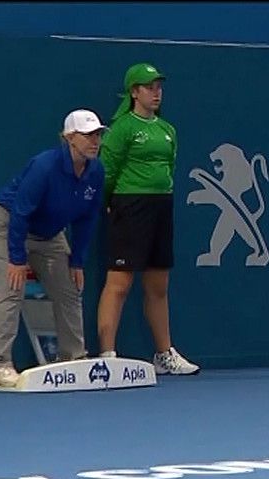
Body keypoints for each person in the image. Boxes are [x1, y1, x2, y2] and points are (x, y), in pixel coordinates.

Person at [0, 109, 107, 387]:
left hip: (48, 235)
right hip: (6, 223)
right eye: (88, 135)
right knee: (12, 287)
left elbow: (87, 219)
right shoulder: (44, 166)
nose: (95, 141)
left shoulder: (96, 171)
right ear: (69, 138)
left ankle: (73, 358)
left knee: (69, 289)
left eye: (98, 135)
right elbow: (20, 213)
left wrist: (77, 261)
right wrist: (17, 259)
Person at [97, 62, 199, 375]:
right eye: (149, 87)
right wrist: (109, 203)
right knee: (119, 283)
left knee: (158, 285)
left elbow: (170, 167)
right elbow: (106, 172)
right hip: (130, 206)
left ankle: (164, 354)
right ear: (134, 92)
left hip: (161, 206)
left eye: (158, 87)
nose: (156, 93)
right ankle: (107, 355)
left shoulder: (167, 130)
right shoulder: (122, 128)